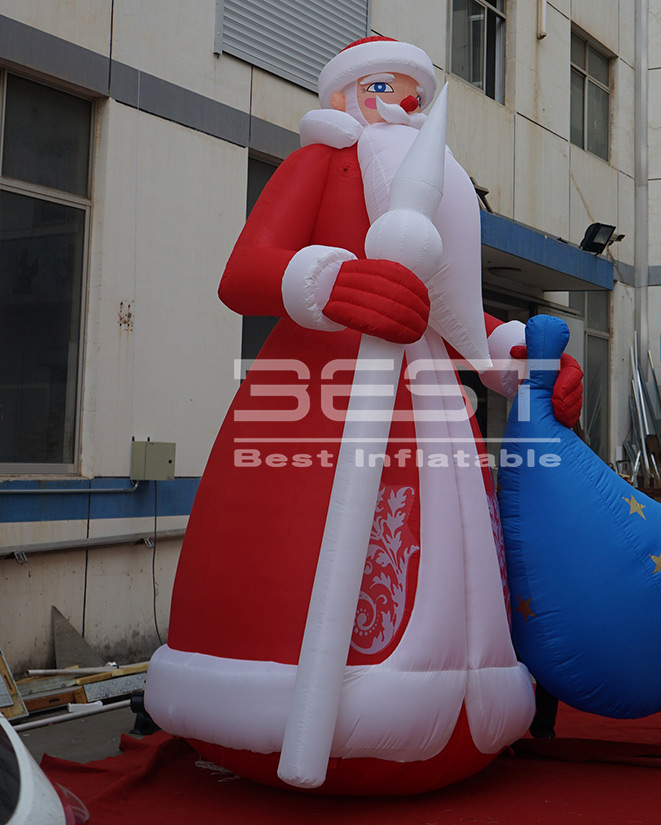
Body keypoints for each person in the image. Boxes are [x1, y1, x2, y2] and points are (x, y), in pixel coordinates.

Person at [145, 36, 582, 789]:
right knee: (315, 549)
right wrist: (330, 285)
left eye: (415, 90)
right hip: (327, 395)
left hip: (434, 405)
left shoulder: (438, 191)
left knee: (452, 548)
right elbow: (247, 269)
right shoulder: (322, 158)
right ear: (343, 98)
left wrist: (527, 365)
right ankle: (281, 700)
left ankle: (468, 705)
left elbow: (457, 319)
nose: (405, 103)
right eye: (384, 85)